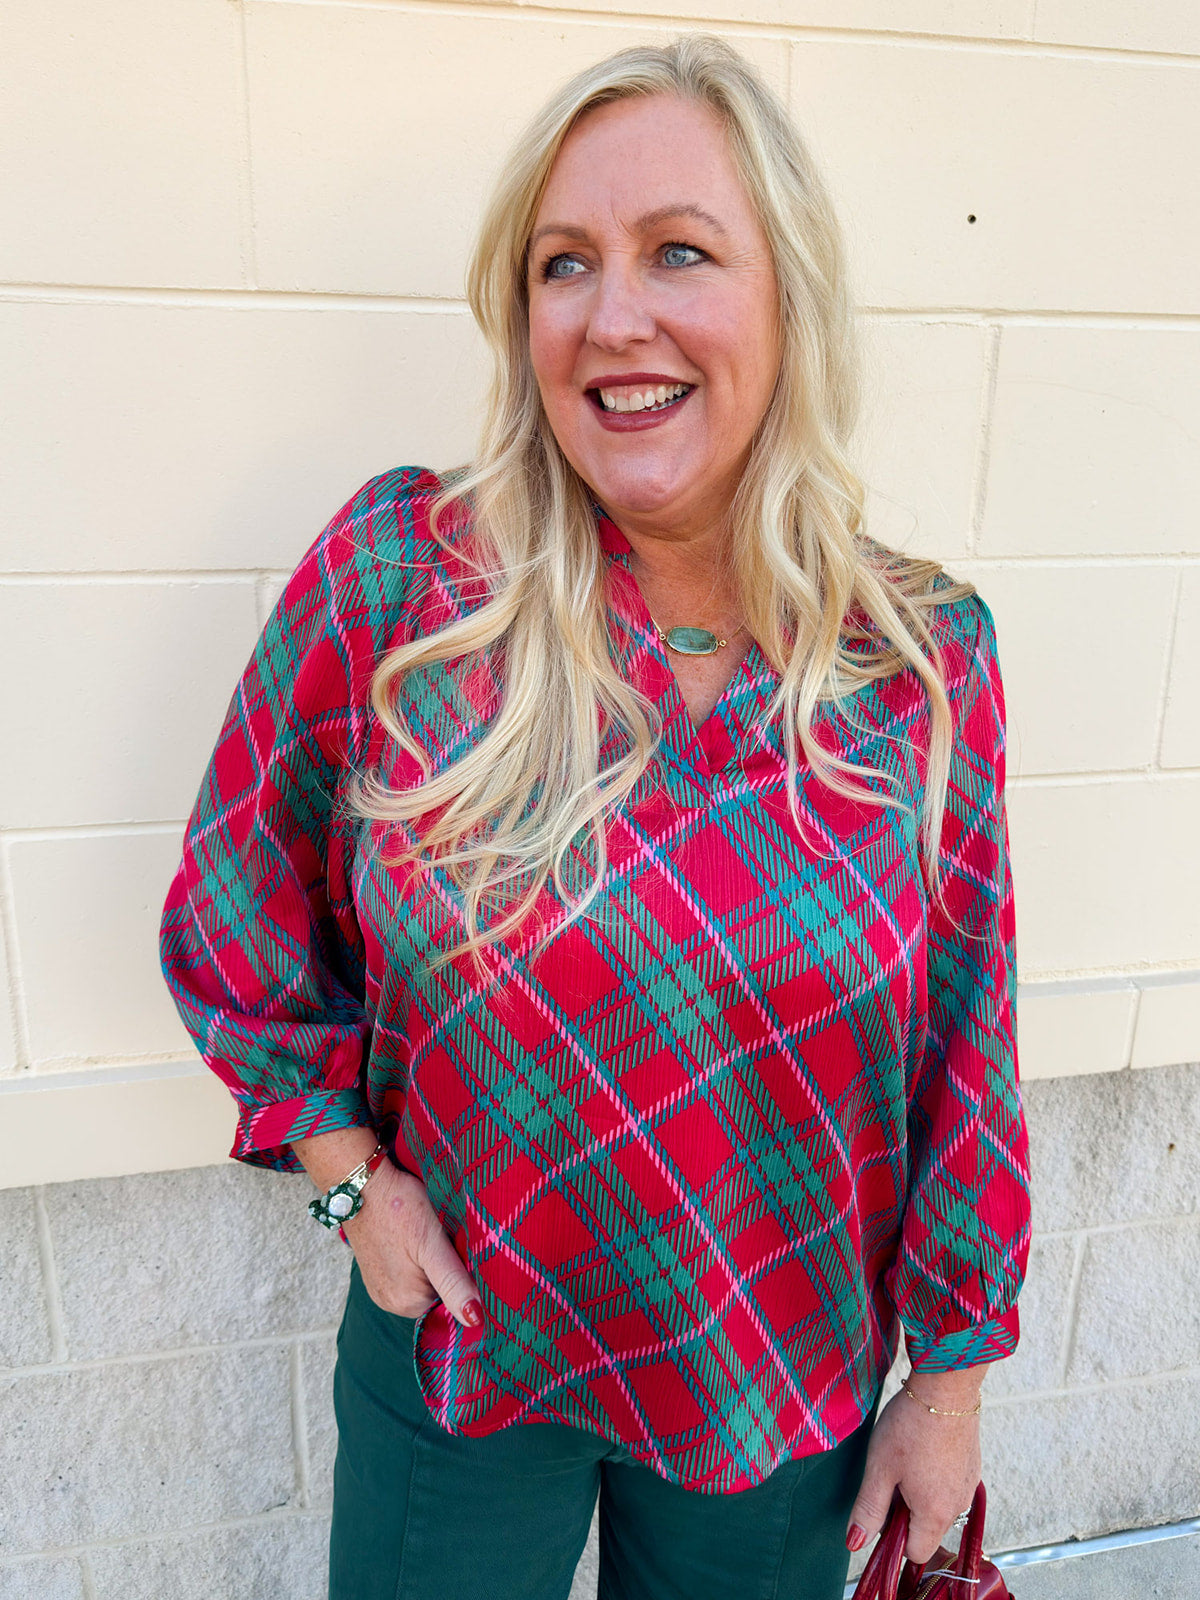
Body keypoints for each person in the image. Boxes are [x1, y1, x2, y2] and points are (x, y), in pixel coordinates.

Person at [161, 34, 1029, 1600]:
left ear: (789, 296)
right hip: (459, 1352)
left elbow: (968, 1036)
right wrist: (349, 1181)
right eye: (565, 263)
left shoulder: (916, 659)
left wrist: (951, 1378)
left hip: (774, 1376)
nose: (614, 316)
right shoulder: (403, 584)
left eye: (679, 251)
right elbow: (236, 901)